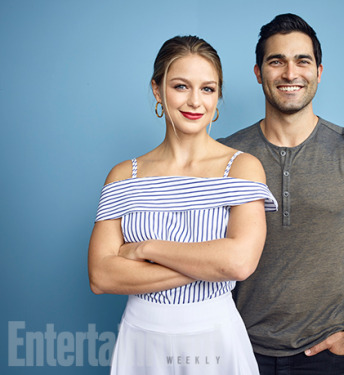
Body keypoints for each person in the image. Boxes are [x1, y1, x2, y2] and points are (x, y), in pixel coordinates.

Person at [220, 14, 344, 374]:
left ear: (318, 71)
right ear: (259, 73)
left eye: (302, 61)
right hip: (235, 348)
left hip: (325, 357)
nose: (290, 73)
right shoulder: (224, 157)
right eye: (276, 61)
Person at [87, 35, 277, 375]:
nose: (194, 101)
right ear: (158, 90)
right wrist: (206, 265)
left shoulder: (243, 167)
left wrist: (146, 248)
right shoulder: (123, 176)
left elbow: (239, 262)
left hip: (214, 336)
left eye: (207, 89)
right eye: (180, 86)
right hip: (142, 338)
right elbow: (101, 276)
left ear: (218, 96)